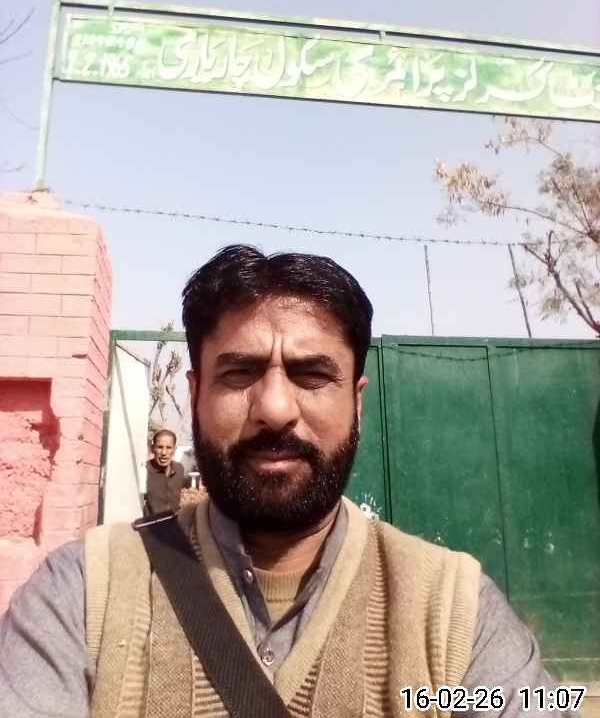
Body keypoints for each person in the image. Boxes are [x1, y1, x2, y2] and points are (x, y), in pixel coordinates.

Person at [0, 245, 574, 717]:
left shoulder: (451, 613)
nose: (274, 409)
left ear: (357, 402)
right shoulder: (83, 597)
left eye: (311, 374)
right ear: (194, 395)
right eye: (240, 372)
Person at [144, 428, 185, 514]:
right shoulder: (145, 471)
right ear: (152, 448)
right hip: (151, 522)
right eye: (160, 447)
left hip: (173, 521)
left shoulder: (179, 469)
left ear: (174, 450)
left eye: (169, 448)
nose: (164, 453)